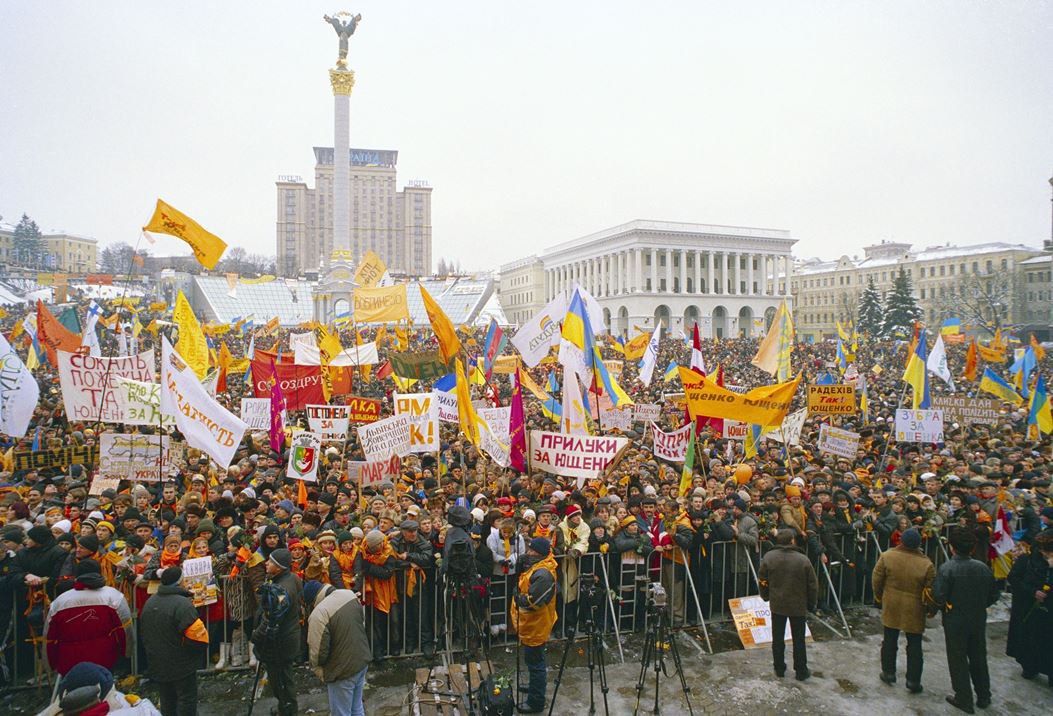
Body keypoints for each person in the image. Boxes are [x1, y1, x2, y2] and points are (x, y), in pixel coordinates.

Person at [933, 526, 1001, 714]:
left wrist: (946, 607)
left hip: (955, 619)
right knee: (978, 656)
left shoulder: (947, 568)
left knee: (958, 658)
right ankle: (984, 695)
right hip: (977, 618)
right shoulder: (983, 567)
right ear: (972, 548)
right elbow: (994, 595)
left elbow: (938, 596)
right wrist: (979, 605)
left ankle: (963, 698)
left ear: (952, 548)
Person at [871, 527, 935, 693]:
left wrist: (879, 597)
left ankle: (888, 672)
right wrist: (931, 608)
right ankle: (913, 680)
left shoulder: (888, 556)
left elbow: (876, 579)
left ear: (901, 541)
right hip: (915, 606)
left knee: (889, 639)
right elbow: (931, 589)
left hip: (892, 602)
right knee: (914, 644)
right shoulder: (926, 564)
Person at [139, 565, 209, 716]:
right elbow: (198, 639)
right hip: (181, 663)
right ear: (180, 581)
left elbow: (144, 633)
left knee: (167, 700)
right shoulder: (183, 604)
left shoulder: (150, 603)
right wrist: (193, 656)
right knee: (186, 699)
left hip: (158, 662)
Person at [43, 559, 131, 677]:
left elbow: (49, 637)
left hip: (69, 661)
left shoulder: (60, 601)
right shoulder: (114, 596)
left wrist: (50, 665)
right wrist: (127, 653)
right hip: (104, 658)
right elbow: (125, 629)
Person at [305, 580, 371, 716]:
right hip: (361, 660)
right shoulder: (349, 594)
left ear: (312, 601)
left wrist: (319, 669)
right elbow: (360, 620)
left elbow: (318, 652)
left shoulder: (319, 613)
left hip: (341, 671)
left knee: (341, 712)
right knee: (356, 707)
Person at [758, 528, 817, 681]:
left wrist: (765, 595)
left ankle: (779, 668)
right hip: (798, 604)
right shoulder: (802, 559)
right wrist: (811, 603)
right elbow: (812, 584)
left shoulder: (769, 557)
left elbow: (763, 579)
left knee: (777, 637)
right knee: (799, 639)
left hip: (777, 603)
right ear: (792, 541)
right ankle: (801, 670)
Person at [509, 537, 558, 714]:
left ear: (538, 553)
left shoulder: (544, 573)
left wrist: (518, 598)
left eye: (531, 550)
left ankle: (536, 701)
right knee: (532, 660)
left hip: (537, 624)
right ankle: (533, 686)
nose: (528, 552)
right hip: (531, 623)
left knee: (536, 663)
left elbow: (535, 601)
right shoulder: (537, 565)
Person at [253, 547, 303, 716]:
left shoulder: (282, 590)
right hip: (288, 637)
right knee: (283, 678)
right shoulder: (292, 578)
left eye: (271, 562)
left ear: (279, 567)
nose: (266, 563)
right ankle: (285, 707)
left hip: (279, 642)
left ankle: (288, 710)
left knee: (281, 681)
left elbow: (272, 618)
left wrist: (256, 636)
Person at [1005, 529, 1053, 685]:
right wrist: (1033, 592)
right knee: (1029, 641)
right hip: (1028, 610)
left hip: (1048, 615)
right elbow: (1014, 578)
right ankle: (1029, 667)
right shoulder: (1026, 560)